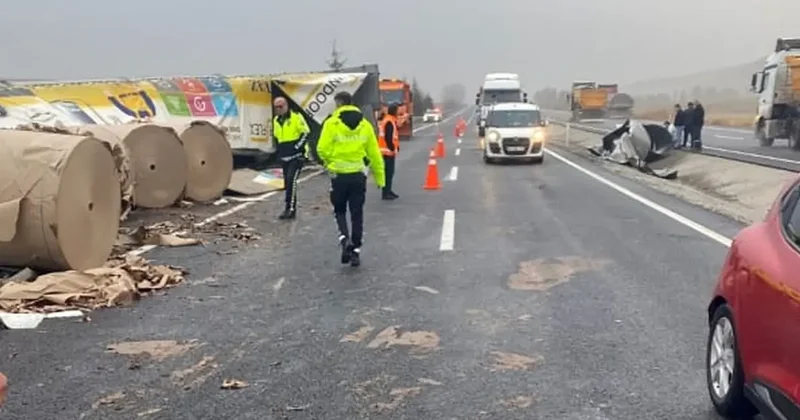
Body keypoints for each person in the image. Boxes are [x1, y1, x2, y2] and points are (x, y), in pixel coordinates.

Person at [316, 91, 385, 267]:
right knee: (357, 213)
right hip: (358, 175)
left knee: (339, 211)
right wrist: (380, 178)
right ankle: (355, 251)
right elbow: (374, 153)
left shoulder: (332, 123)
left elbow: (321, 149)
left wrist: (331, 162)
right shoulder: (365, 125)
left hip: (338, 176)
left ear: (339, 103)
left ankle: (344, 239)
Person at [272, 96, 310, 220]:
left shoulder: (296, 117)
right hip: (285, 156)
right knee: (287, 183)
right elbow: (278, 138)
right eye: (276, 107)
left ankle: (290, 208)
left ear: (286, 106)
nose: (279, 109)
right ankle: (289, 207)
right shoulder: (276, 120)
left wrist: (297, 147)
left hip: (296, 156)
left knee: (291, 181)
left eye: (281, 106)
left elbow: (305, 133)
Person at [378, 104, 400, 200]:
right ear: (394, 111)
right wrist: (392, 148)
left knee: (389, 173)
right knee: (388, 173)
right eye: (397, 110)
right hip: (387, 152)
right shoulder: (389, 122)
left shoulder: (389, 120)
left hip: (387, 152)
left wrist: (396, 147)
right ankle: (386, 193)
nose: (399, 112)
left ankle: (388, 190)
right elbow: (388, 137)